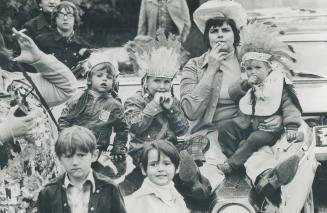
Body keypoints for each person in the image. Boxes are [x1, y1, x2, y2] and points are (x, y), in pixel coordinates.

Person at [180, 0, 302, 206]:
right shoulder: (193, 66)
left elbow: (279, 91)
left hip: (249, 127)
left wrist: (279, 117)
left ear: (235, 35)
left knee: (259, 152)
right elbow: (190, 111)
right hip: (210, 132)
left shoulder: (251, 61)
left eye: (226, 30)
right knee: (211, 160)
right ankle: (201, 186)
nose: (219, 35)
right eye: (214, 31)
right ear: (206, 36)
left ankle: (267, 179)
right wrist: (210, 70)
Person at [121, 33, 210, 200]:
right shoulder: (135, 100)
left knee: (197, 141)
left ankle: (190, 180)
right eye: (156, 81)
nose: (162, 86)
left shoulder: (172, 100)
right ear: (145, 81)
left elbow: (183, 128)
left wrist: (171, 110)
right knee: (178, 157)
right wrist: (154, 106)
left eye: (166, 82)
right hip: (144, 149)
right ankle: (190, 182)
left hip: (171, 147)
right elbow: (135, 126)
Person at [0, 28, 76, 211]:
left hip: (47, 196)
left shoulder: (22, 83)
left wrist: (38, 58)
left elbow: (67, 88)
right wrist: (5, 133)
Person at [216, 22, 303, 174]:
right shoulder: (245, 81)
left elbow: (290, 106)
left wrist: (291, 126)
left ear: (269, 68)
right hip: (244, 124)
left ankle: (232, 164)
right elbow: (234, 94)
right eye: (249, 68)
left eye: (258, 67)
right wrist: (246, 85)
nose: (253, 71)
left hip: (266, 129)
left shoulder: (277, 83)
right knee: (224, 128)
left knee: (254, 139)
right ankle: (239, 159)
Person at [58, 52, 128, 178]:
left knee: (101, 181)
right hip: (76, 150)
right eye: (99, 75)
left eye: (109, 77)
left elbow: (122, 128)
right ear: (89, 79)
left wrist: (118, 148)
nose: (104, 79)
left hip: (99, 153)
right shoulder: (78, 99)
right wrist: (66, 141)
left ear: (114, 81)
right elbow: (64, 121)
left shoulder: (114, 105)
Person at [37, 125, 127, 213]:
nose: (75, 162)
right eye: (68, 156)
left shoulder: (109, 188)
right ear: (60, 159)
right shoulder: (48, 193)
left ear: (94, 155)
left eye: (81, 155)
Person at [124, 140, 189, 213]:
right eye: (153, 164)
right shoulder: (137, 201)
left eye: (166, 163)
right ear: (143, 169)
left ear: (177, 167)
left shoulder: (178, 198)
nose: (160, 169)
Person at [35, 1, 91, 72]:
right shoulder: (41, 41)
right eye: (61, 15)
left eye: (69, 15)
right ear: (55, 19)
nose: (65, 18)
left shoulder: (84, 45)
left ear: (75, 19)